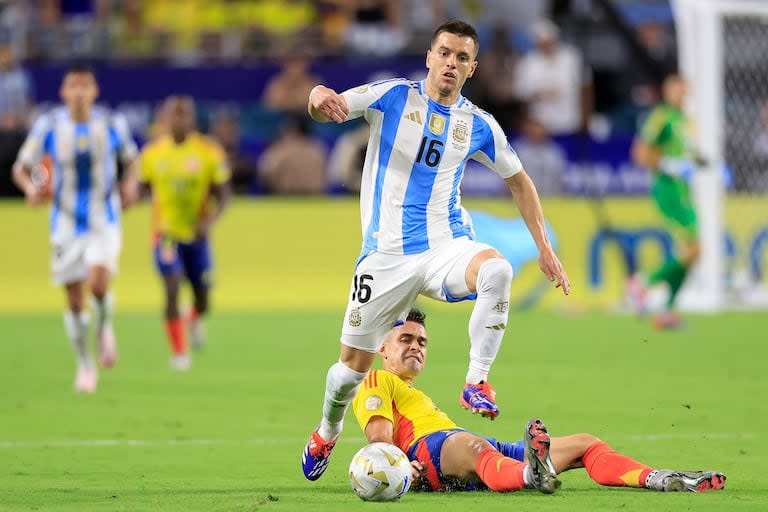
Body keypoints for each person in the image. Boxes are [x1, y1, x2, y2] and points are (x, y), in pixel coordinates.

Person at [302, 20, 570, 481]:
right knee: (350, 370)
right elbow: (329, 105)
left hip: (444, 246)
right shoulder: (392, 97)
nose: (451, 62)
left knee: (497, 270)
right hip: (386, 256)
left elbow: (519, 181)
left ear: (472, 68)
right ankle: (327, 429)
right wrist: (317, 94)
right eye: (444, 53)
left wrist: (543, 247)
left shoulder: (479, 124)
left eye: (462, 57)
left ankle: (476, 382)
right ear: (430, 56)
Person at [353, 308, 726, 494]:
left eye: (422, 342)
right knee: (473, 445)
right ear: (382, 347)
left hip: (464, 451)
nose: (416, 346)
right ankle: (533, 473)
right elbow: (380, 441)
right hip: (432, 452)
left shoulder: (412, 391)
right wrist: (402, 469)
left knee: (584, 444)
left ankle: (655, 478)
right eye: (406, 340)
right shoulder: (377, 379)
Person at [12, 63, 139, 393]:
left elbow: (133, 161)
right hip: (65, 220)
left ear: (95, 91)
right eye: (73, 86)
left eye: (86, 86)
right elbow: (21, 168)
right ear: (63, 92)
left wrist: (130, 186)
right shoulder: (49, 125)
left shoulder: (112, 123)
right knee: (74, 299)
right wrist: (30, 188)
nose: (80, 92)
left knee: (98, 283)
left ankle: (105, 328)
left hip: (104, 217)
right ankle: (84, 363)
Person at [138, 96, 231, 370]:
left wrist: (210, 221)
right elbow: (142, 187)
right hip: (166, 234)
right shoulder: (153, 153)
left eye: (184, 115)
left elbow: (224, 194)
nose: (179, 121)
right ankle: (179, 352)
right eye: (173, 115)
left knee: (203, 300)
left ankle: (193, 317)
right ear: (164, 119)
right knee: (172, 287)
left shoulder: (208, 151)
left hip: (198, 238)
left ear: (192, 119)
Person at [628, 74, 701, 329]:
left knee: (691, 253)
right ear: (666, 91)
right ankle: (643, 284)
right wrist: (668, 165)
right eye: (675, 89)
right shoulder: (660, 117)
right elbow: (640, 153)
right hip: (667, 189)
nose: (680, 94)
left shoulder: (687, 122)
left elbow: (688, 155)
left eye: (684, 89)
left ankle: (668, 310)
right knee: (694, 250)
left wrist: (709, 165)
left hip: (684, 191)